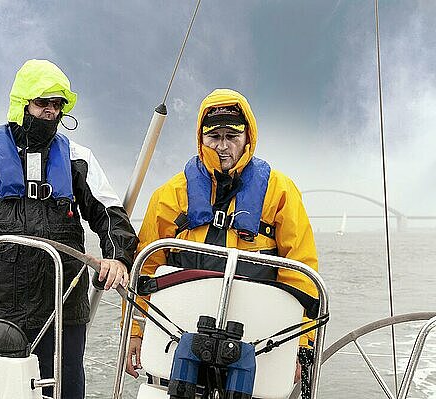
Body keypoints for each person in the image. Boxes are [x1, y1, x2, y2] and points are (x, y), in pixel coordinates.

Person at [0, 59, 138, 399]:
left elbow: (110, 215)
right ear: (23, 104)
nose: (50, 112)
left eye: (57, 105)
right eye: (42, 103)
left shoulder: (79, 158)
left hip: (61, 307)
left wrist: (119, 258)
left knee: (63, 392)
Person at [125, 89, 318, 398]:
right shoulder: (169, 195)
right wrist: (134, 333)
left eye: (232, 135)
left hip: (259, 342)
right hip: (178, 335)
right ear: (201, 139)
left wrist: (301, 344)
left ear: (248, 136)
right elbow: (144, 269)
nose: (224, 145)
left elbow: (301, 271)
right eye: (214, 136)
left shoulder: (281, 192)